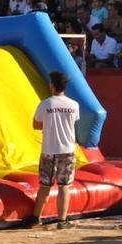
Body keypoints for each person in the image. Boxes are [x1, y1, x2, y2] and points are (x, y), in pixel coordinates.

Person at [30, 71, 80, 230]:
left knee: (45, 186)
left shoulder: (45, 104)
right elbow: (74, 122)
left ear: (52, 85)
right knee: (64, 186)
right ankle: (62, 220)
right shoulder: (73, 105)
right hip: (67, 149)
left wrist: (50, 124)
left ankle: (35, 218)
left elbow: (36, 125)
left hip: (49, 149)